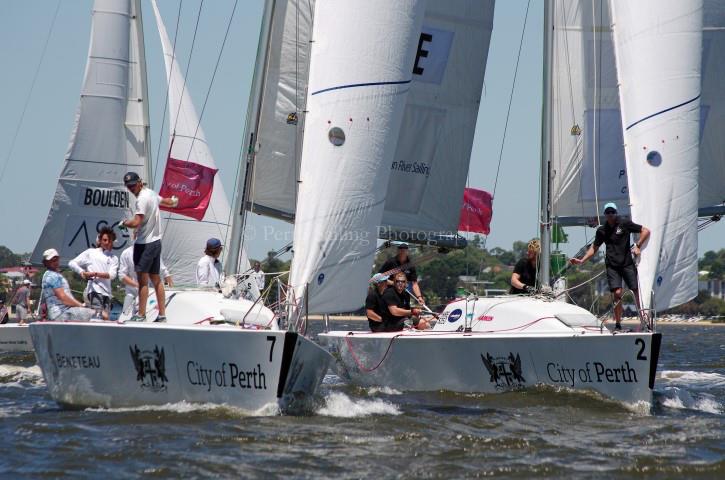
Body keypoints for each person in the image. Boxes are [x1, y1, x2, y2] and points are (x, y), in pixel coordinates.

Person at [569, 202, 651, 331]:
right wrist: (581, 260)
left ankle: (643, 321)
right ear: (605, 215)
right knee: (617, 293)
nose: (610, 215)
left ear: (616, 213)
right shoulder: (602, 230)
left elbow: (646, 231)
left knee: (636, 292)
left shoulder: (624, 224)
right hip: (612, 266)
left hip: (627, 263)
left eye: (612, 212)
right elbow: (594, 248)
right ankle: (618, 324)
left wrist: (638, 245)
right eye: (608, 212)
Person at [120, 172, 177, 322]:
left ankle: (141, 315)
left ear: (139, 182)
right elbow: (166, 202)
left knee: (143, 281)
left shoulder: (141, 200)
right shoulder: (150, 193)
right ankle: (162, 315)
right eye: (128, 186)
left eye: (133, 185)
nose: (131, 188)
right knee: (156, 279)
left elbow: (136, 222)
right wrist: (174, 201)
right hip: (156, 243)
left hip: (145, 244)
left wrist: (124, 223)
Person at [68, 227, 119, 320]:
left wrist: (95, 274)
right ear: (100, 241)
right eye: (105, 240)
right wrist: (82, 272)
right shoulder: (91, 253)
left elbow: (112, 275)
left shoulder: (114, 258)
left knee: (105, 317)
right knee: (99, 315)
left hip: (107, 293)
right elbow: (72, 263)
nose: (107, 242)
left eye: (110, 240)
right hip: (94, 290)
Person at [41, 248, 95, 322]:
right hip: (62, 313)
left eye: (56, 259)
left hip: (58, 313)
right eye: (52, 260)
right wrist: (81, 305)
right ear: (45, 263)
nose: (55, 262)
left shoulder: (49, 274)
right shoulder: (52, 276)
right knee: (95, 315)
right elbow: (63, 298)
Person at [119, 245, 173, 318]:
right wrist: (138, 285)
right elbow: (122, 276)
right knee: (124, 317)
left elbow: (165, 273)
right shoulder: (126, 253)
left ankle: (159, 316)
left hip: (151, 295)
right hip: (132, 294)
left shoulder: (153, 251)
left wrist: (167, 288)